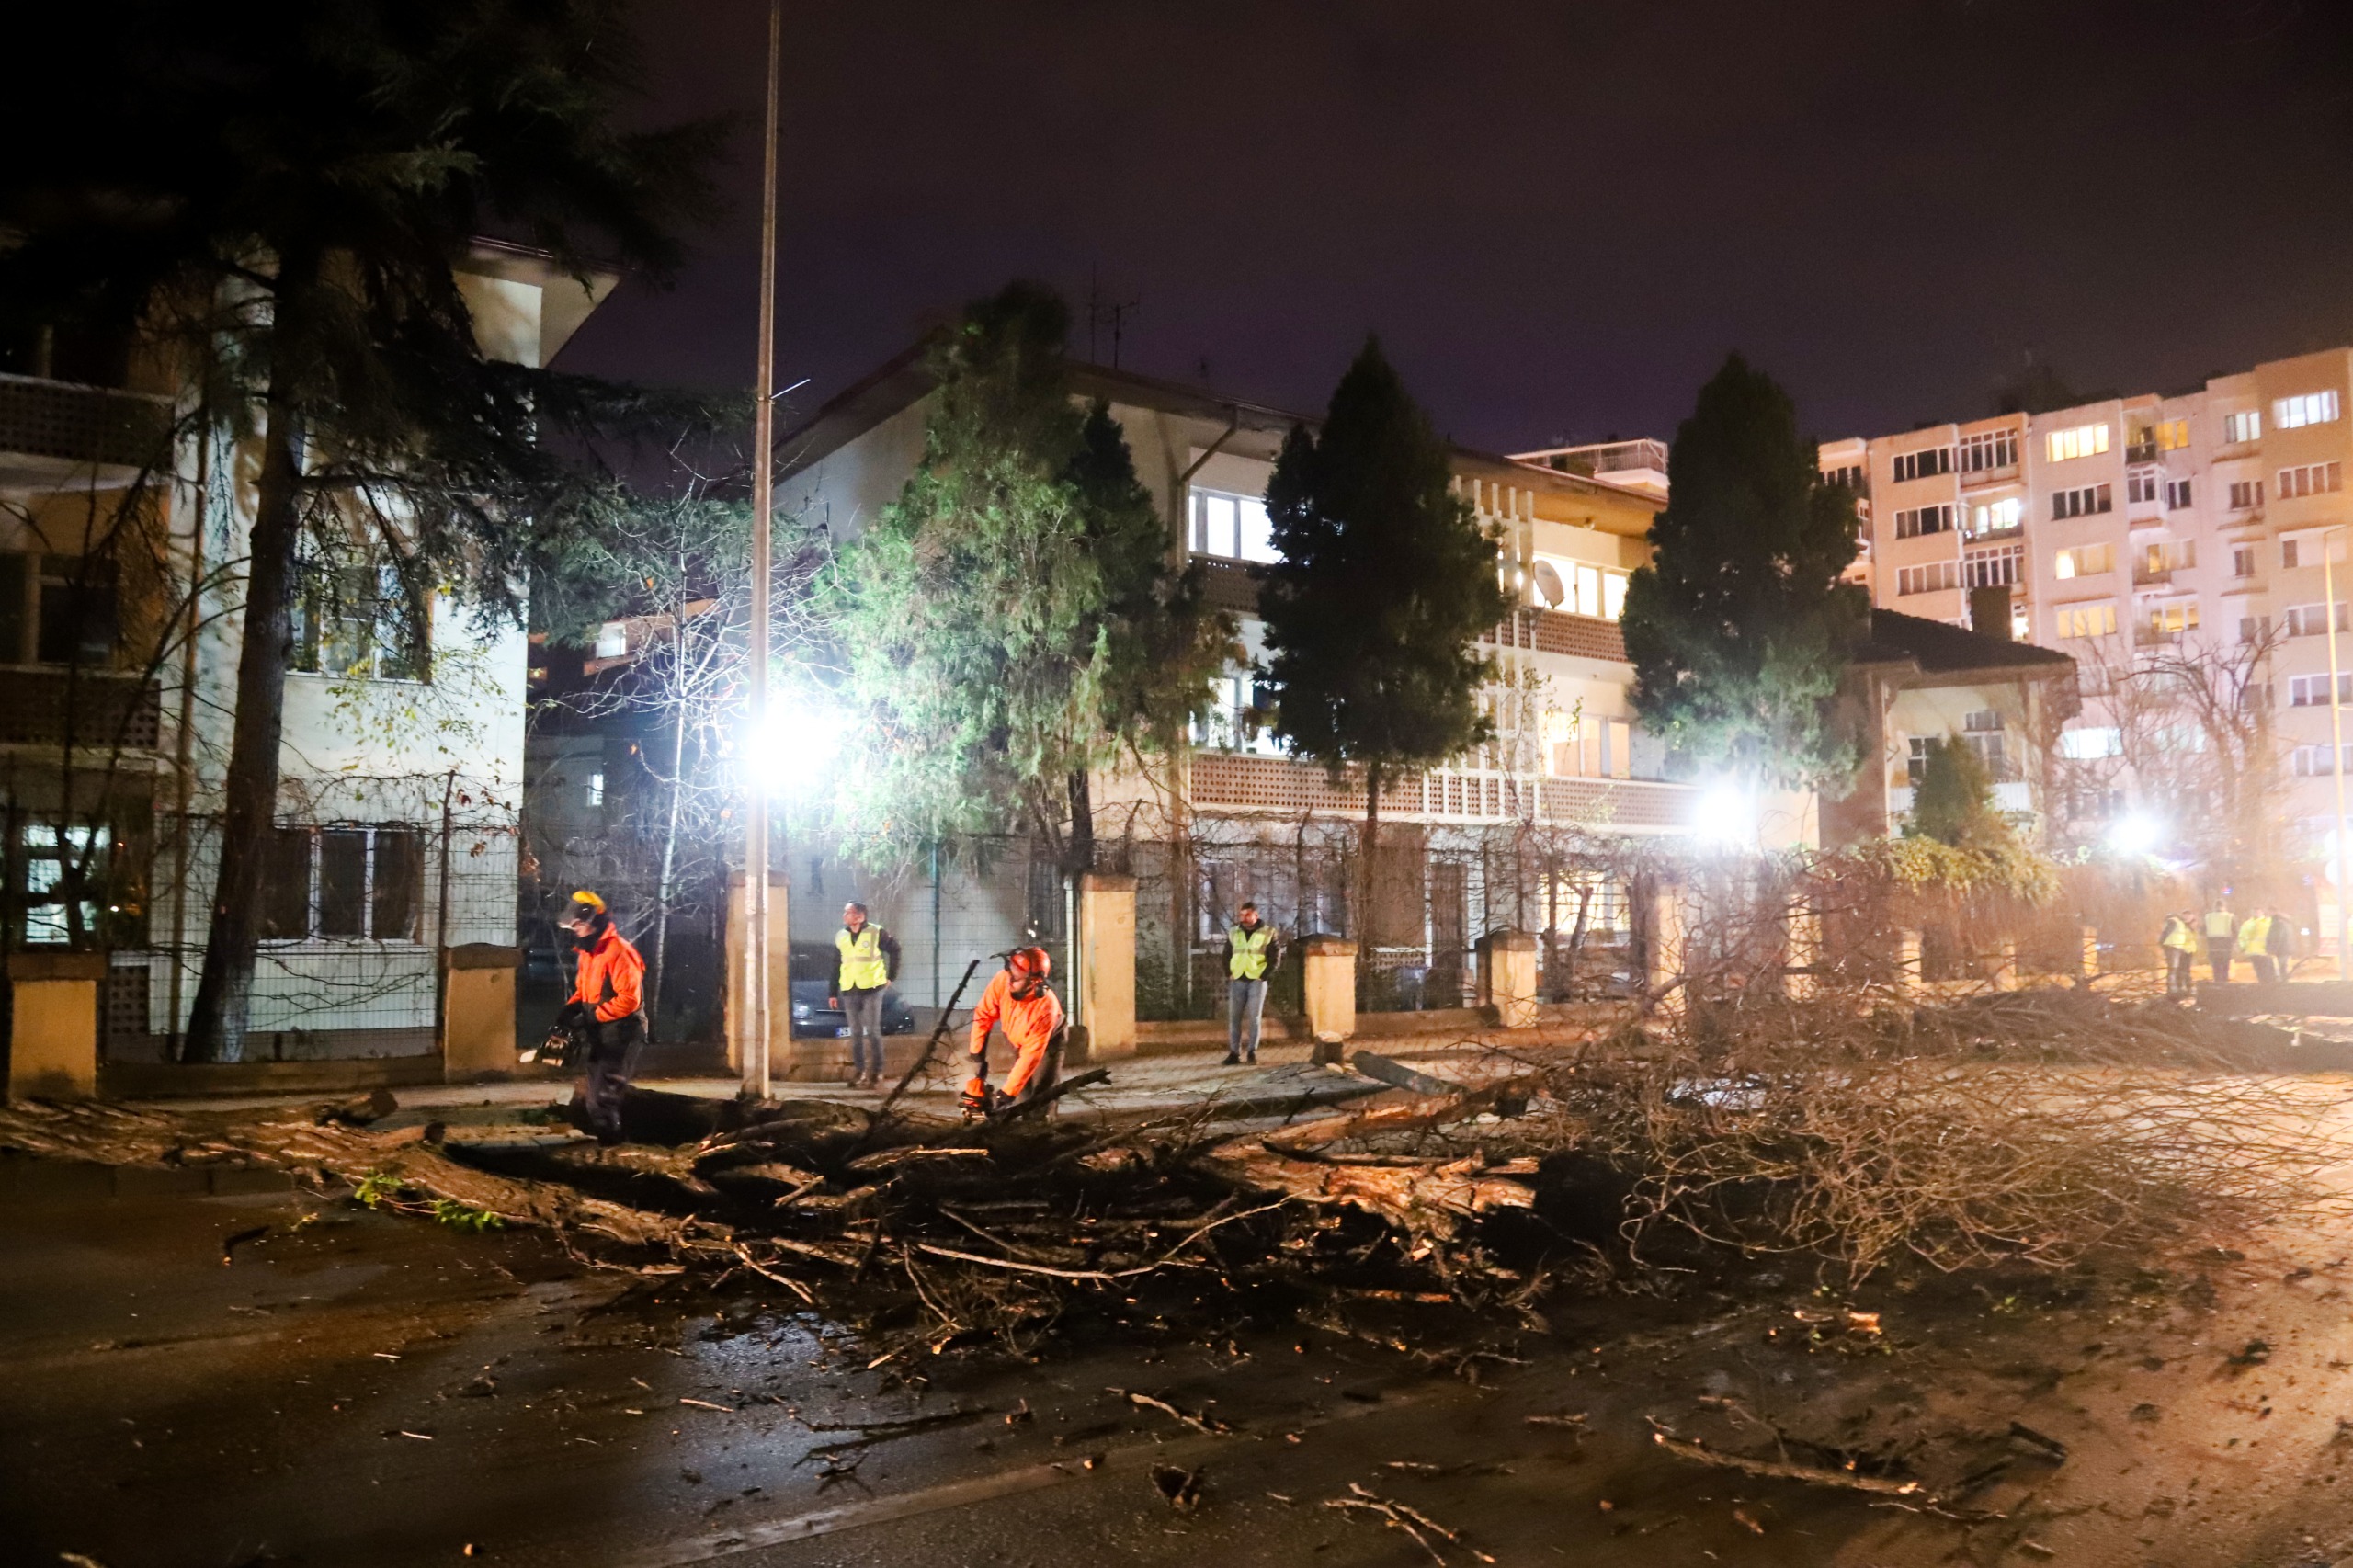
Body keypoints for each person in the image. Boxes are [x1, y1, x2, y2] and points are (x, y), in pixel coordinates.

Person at [558, 890, 644, 1144]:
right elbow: (586, 991)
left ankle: (614, 1147)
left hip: (621, 1032)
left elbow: (629, 1000)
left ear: (593, 921)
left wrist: (592, 1017)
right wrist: (571, 1009)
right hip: (603, 1032)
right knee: (595, 1096)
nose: (576, 930)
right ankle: (610, 1142)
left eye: (579, 925)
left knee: (602, 1099)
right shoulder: (590, 953)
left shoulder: (618, 952)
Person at [962, 946, 1064, 1117]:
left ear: (1034, 981)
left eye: (1017, 975)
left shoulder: (1046, 1009)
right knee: (1022, 1096)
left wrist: (1005, 1096)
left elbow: (1030, 1057)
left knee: (1042, 1093)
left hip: (1048, 1039)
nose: (1010, 979)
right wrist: (977, 1058)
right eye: (1011, 970)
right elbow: (983, 1015)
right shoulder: (1003, 979)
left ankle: (1044, 1130)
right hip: (1016, 1037)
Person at [833, 902, 902, 1089]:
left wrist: (891, 976)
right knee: (855, 1033)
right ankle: (860, 1071)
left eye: (848, 912)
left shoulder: (875, 932)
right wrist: (832, 992)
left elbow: (895, 950)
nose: (844, 916)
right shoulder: (841, 936)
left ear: (860, 916)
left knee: (872, 1031)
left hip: (872, 988)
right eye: (845, 912)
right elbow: (836, 964)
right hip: (850, 988)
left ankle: (877, 1072)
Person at [1222, 901, 1283, 1066]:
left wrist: (1264, 976)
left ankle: (1251, 1052)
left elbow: (1275, 957)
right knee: (1234, 1018)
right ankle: (1234, 1053)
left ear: (1256, 915)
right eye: (1242, 915)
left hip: (1256, 979)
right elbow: (1226, 954)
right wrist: (1229, 973)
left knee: (1254, 1018)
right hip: (1238, 979)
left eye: (1247, 915)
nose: (1243, 918)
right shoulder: (1234, 932)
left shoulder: (1268, 932)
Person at [2158, 910, 2198, 997]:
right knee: (2176, 969)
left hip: (2178, 948)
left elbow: (2165, 934)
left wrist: (2161, 944)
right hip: (2178, 948)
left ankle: (2175, 989)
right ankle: (2176, 989)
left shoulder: (2175, 922)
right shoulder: (2180, 923)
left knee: (2175, 969)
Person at [2236, 907, 2275, 986]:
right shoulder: (2267, 922)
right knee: (2262, 971)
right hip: (2259, 952)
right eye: (2255, 912)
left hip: (2262, 952)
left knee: (2263, 971)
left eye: (2258, 912)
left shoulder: (2249, 923)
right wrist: (2243, 947)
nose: (2256, 913)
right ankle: (2265, 987)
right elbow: (2242, 937)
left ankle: (2265, 986)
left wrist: (2243, 948)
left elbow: (2242, 937)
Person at [2201, 900, 2237, 985]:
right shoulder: (2229, 916)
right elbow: (2235, 931)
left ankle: (2217, 985)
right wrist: (2233, 943)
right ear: (2224, 907)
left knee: (2216, 968)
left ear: (2214, 907)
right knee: (2225, 968)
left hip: (2213, 946)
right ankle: (2225, 986)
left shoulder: (2208, 917)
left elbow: (2202, 931)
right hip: (2226, 946)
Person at [2267, 908, 2295, 983]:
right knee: (2283, 967)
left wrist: (2272, 949)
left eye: (2269, 912)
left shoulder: (2278, 923)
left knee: (2281, 967)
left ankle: (2283, 985)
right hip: (2286, 948)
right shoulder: (2286, 922)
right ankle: (2285, 983)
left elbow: (2278, 937)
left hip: (2281, 949)